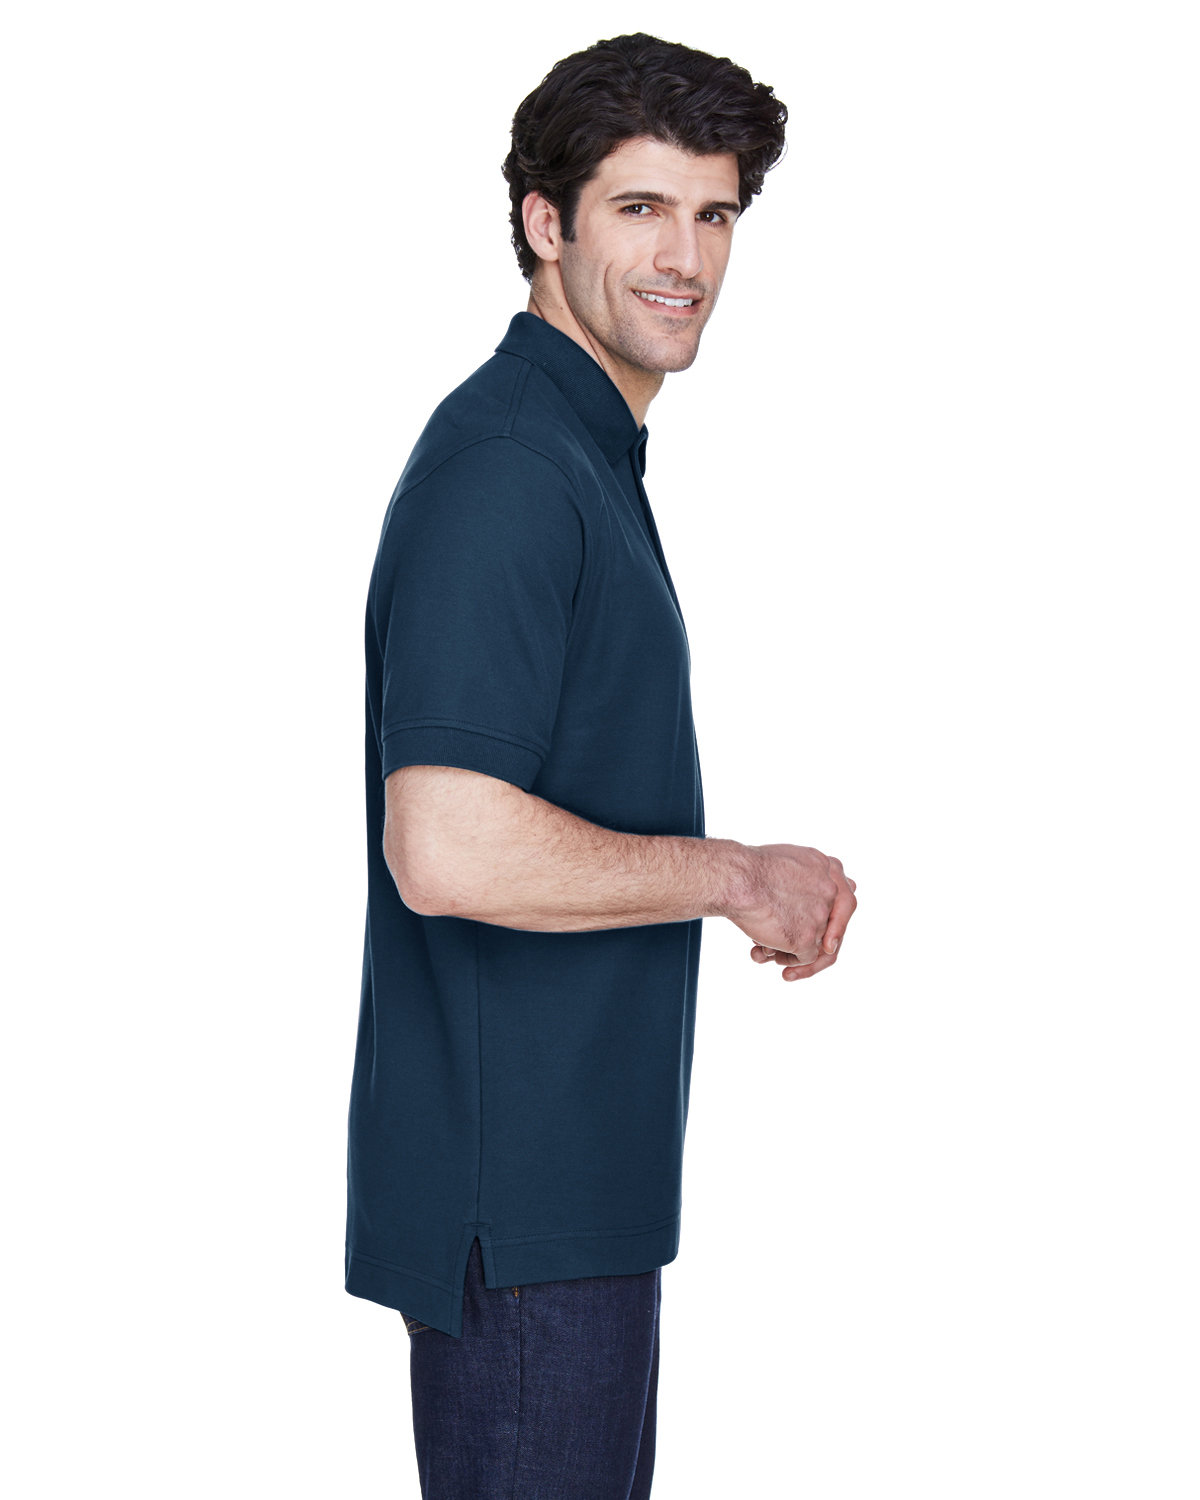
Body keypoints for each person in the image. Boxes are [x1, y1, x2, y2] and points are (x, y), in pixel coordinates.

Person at [346, 32, 857, 1498]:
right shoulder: (511, 469)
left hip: (569, 1210)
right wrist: (735, 875)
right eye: (640, 208)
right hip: (525, 1226)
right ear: (544, 222)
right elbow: (443, 845)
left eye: (714, 213)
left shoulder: (580, 458)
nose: (685, 257)